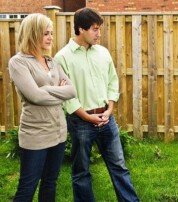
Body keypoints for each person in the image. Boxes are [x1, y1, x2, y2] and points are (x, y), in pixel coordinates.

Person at [54, 8, 139, 202]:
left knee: (119, 167)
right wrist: (86, 116)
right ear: (81, 29)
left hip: (107, 119)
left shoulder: (103, 53)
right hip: (80, 121)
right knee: (81, 171)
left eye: (99, 29)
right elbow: (66, 96)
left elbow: (112, 81)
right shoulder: (62, 57)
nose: (99, 33)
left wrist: (109, 109)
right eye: (94, 29)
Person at [8, 13, 76, 202]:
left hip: (58, 133)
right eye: (46, 33)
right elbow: (35, 96)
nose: (50, 37)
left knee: (50, 183)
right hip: (35, 135)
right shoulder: (18, 62)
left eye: (51, 33)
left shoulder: (52, 62)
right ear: (33, 33)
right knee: (27, 188)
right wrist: (54, 91)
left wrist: (45, 90)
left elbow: (71, 91)